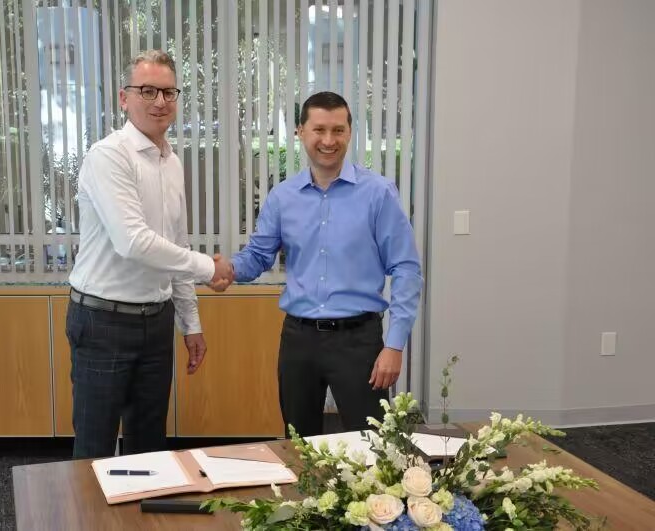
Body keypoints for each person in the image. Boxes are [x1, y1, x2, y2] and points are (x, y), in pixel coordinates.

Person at [67, 50, 233, 458]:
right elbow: (133, 242)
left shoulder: (171, 162)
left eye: (168, 92)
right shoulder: (108, 156)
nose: (160, 101)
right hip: (103, 322)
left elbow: (175, 247)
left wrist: (190, 323)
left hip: (156, 323)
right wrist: (208, 268)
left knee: (149, 449)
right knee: (94, 449)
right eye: (147, 91)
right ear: (124, 98)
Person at [228, 92, 422, 437]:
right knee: (299, 445)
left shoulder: (378, 194)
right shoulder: (283, 197)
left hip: (359, 341)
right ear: (301, 132)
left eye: (338, 130)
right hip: (299, 341)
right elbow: (257, 257)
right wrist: (224, 270)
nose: (328, 141)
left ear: (350, 132)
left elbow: (406, 269)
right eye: (319, 130)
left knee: (372, 448)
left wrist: (394, 345)